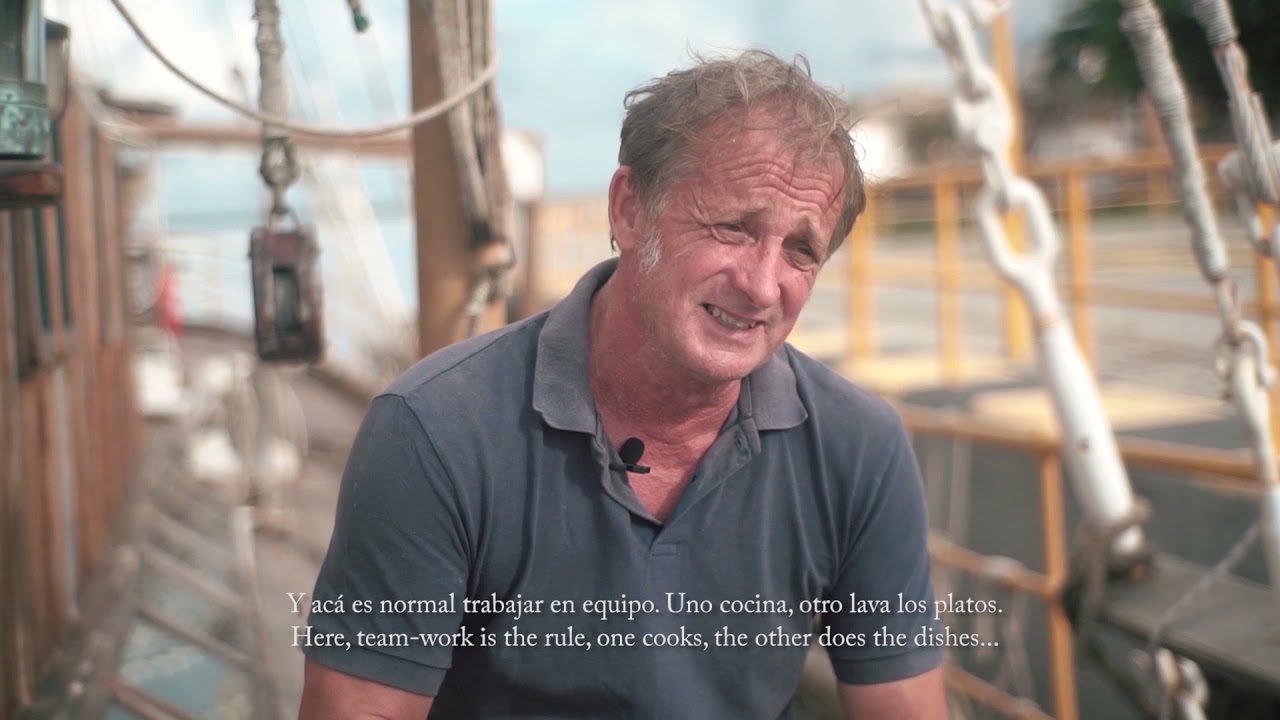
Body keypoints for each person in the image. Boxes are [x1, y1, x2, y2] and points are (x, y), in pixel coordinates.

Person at [298, 49, 946, 719]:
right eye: (732, 227)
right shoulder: (437, 431)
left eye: (801, 251)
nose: (760, 284)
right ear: (630, 209)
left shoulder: (859, 449)